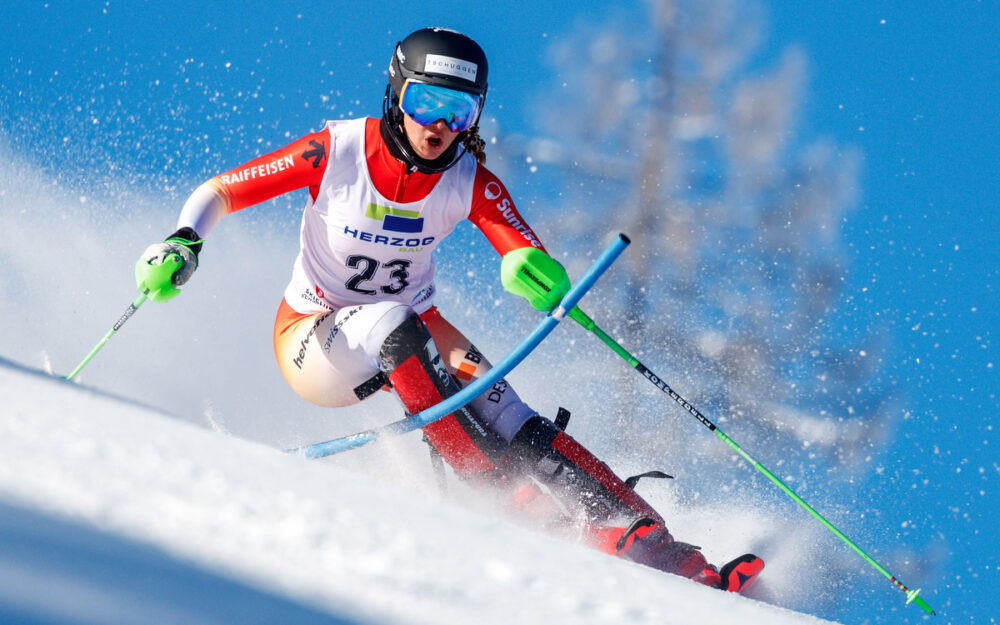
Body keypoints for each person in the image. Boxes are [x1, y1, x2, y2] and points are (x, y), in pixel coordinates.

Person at [136, 27, 762, 592]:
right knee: (392, 323)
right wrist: (183, 241)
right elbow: (220, 190)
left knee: (500, 402)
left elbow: (521, 245)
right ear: (395, 97)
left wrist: (533, 271)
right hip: (313, 339)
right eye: (423, 103)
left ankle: (650, 537)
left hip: (415, 328)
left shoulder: (468, 177)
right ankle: (513, 502)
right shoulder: (337, 151)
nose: (438, 125)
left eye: (457, 111)